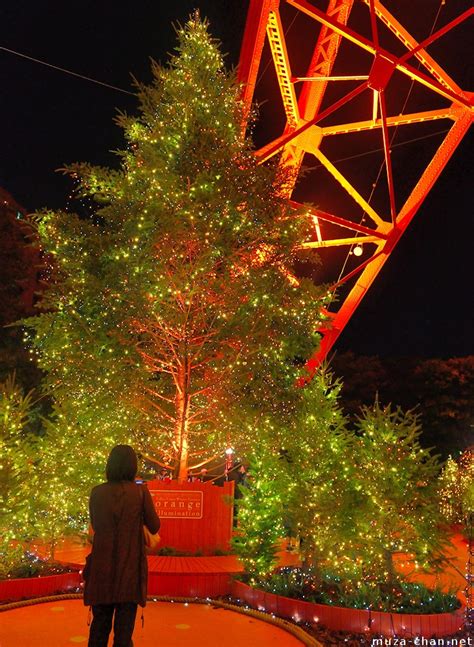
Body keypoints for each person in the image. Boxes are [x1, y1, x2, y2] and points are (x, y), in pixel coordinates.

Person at [84, 444, 160, 647]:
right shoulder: (140, 492)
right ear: (132, 466)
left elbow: (95, 524)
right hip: (129, 571)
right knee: (124, 634)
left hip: (101, 570)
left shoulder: (97, 492)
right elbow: (154, 526)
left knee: (99, 628)